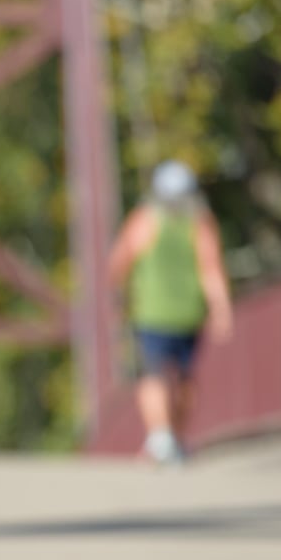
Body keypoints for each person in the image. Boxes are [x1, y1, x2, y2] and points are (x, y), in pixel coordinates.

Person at [108, 159, 234, 464]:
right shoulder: (200, 222)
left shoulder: (146, 219)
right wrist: (220, 308)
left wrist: (118, 295)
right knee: (184, 378)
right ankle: (174, 439)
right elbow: (211, 269)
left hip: (152, 312)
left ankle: (162, 438)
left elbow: (119, 261)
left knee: (153, 375)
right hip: (189, 313)